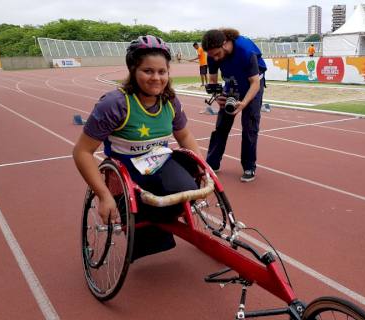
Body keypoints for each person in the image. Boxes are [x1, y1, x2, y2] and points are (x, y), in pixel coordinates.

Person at [73, 35, 202, 260]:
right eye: (148, 71)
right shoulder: (114, 104)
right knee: (145, 207)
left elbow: (185, 135)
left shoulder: (170, 101)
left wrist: (202, 167)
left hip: (157, 162)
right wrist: (103, 195)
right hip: (126, 170)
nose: (156, 78)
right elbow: (82, 151)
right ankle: (142, 223)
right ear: (133, 70)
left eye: (162, 72)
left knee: (188, 189)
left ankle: (156, 220)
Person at [202, 28, 266, 182]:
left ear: (225, 44)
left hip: (252, 85)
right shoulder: (212, 54)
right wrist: (218, 97)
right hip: (231, 84)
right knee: (222, 126)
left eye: (217, 54)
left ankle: (249, 167)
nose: (215, 59)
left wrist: (243, 104)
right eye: (212, 56)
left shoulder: (245, 51)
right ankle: (212, 163)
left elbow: (255, 83)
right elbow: (213, 81)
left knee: (249, 126)